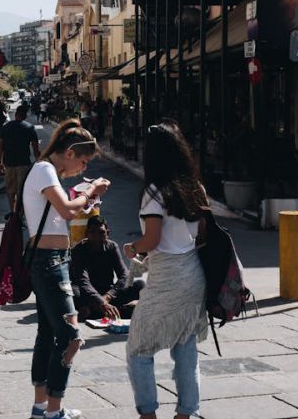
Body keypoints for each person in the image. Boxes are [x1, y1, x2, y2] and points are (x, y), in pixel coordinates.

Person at [22, 119, 110, 419]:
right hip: (49, 262)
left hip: (54, 258)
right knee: (71, 337)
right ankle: (54, 410)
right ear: (70, 152)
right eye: (83, 162)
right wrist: (91, 191)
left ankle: (41, 406)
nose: (82, 170)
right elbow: (65, 210)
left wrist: (87, 197)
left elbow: (64, 215)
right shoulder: (45, 169)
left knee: (48, 333)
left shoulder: (47, 173)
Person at [123, 121, 209, 419]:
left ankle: (148, 413)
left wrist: (134, 248)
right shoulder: (195, 188)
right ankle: (187, 413)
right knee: (186, 349)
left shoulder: (154, 192)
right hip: (194, 275)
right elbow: (203, 233)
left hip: (167, 279)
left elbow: (153, 239)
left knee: (138, 349)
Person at [69, 215, 145, 321]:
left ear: (107, 233)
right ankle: (119, 311)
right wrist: (101, 301)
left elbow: (124, 275)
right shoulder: (78, 251)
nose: (97, 236)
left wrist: (108, 296)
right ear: (86, 234)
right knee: (72, 292)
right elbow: (83, 281)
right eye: (93, 232)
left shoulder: (112, 247)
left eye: (101, 233)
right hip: (87, 295)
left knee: (140, 284)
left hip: (107, 294)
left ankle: (95, 312)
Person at [0, 105, 40, 217]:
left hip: (9, 163)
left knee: (10, 190)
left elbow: (0, 146)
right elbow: (36, 149)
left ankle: (12, 212)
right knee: (22, 191)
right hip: (24, 163)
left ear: (16, 114)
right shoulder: (30, 128)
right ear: (25, 116)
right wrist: (39, 162)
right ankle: (19, 215)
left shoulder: (5, 127)